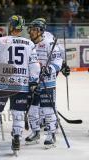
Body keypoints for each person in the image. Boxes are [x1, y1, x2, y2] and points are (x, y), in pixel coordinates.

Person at [0, 15, 40, 156]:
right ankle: (16, 141)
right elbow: (35, 66)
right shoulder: (29, 43)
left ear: (11, 26)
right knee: (18, 114)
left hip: (2, 83)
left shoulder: (0, 41)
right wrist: (34, 81)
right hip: (22, 84)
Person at [26, 19, 63, 148]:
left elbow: (58, 60)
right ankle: (35, 132)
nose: (31, 31)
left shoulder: (49, 43)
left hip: (48, 82)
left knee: (48, 109)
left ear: (40, 31)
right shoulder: (28, 45)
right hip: (32, 82)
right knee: (31, 109)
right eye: (30, 29)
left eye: (33, 29)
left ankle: (51, 134)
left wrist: (49, 69)